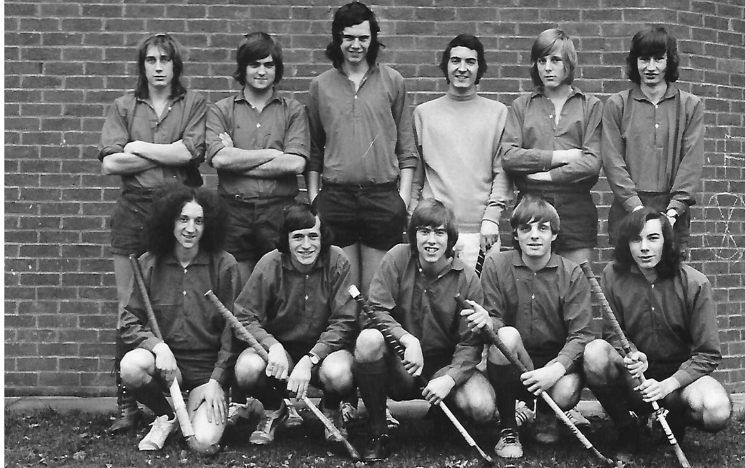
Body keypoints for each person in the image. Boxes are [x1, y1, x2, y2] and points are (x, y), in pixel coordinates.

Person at [98, 33, 207, 433]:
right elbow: (111, 164)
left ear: (176, 65)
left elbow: (188, 153)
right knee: (128, 308)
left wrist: (137, 146)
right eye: (150, 60)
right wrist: (160, 150)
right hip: (133, 210)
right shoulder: (123, 105)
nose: (158, 67)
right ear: (141, 65)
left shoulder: (193, 104)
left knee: (178, 293)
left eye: (165, 59)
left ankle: (184, 393)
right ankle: (128, 405)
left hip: (179, 209)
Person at [353, 198, 496, 461]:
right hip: (403, 364)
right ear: (414, 235)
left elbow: (469, 344)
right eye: (424, 232)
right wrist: (407, 340)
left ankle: (442, 415)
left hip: (443, 367)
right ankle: (377, 431)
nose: (432, 240)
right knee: (368, 340)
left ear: (450, 238)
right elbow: (374, 311)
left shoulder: (467, 278)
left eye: (439, 233)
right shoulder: (397, 257)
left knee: (482, 406)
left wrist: (450, 378)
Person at [583, 208, 731, 458]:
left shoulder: (695, 283)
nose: (644, 247)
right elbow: (611, 334)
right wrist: (632, 353)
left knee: (716, 409)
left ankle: (676, 421)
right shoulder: (612, 275)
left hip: (681, 381)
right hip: (637, 377)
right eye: (636, 239)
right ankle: (627, 431)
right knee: (594, 353)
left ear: (666, 242)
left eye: (652, 238)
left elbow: (708, 353)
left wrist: (667, 386)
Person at [307, 1, 419, 298]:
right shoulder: (320, 86)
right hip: (335, 198)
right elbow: (314, 149)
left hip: (381, 198)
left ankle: (372, 345)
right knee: (344, 293)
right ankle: (343, 345)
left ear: (373, 40)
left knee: (376, 294)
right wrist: (314, 198)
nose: (356, 45)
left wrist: (402, 200)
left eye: (363, 38)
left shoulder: (393, 81)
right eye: (348, 37)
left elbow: (407, 147)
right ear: (337, 39)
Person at [118, 184, 240, 452]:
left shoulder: (224, 265)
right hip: (168, 365)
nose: (191, 228)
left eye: (199, 221)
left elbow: (233, 332)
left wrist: (217, 380)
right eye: (183, 219)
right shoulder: (149, 263)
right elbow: (128, 322)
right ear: (169, 221)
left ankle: (239, 407)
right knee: (131, 366)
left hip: (207, 372)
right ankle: (167, 415)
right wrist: (157, 346)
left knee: (206, 440)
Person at [232, 203, 359, 446]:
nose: (306, 245)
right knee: (246, 368)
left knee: (341, 374)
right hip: (282, 352)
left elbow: (346, 320)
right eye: (297, 237)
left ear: (323, 238)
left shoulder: (337, 261)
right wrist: (272, 346)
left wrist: (312, 357)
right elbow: (244, 316)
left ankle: (330, 410)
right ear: (286, 240)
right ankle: (274, 409)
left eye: (313, 236)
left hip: (326, 353)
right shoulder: (270, 264)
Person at [480, 194, 594, 460]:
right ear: (516, 235)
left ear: (554, 235)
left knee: (566, 392)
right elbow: (494, 319)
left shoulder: (572, 273)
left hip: (554, 367)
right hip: (513, 361)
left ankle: (545, 415)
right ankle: (508, 427)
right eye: (525, 228)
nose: (534, 235)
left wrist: (555, 370)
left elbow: (581, 334)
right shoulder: (496, 264)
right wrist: (487, 321)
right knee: (505, 335)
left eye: (542, 228)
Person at [206, 32, 309, 286]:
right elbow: (219, 160)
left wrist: (238, 162)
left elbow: (295, 163)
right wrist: (273, 155)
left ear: (277, 69)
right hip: (233, 211)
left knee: (278, 288)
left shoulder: (293, 110)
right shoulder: (221, 110)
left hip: (279, 210)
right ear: (243, 68)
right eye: (254, 64)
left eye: (268, 65)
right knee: (235, 291)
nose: (261, 72)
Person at [501, 29, 602, 266]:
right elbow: (509, 156)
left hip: (575, 209)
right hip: (531, 207)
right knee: (531, 289)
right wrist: (562, 156)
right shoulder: (522, 106)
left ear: (568, 63)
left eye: (555, 60)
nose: (547, 67)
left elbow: (591, 163)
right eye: (541, 60)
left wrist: (544, 175)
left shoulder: (590, 106)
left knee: (577, 286)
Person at [410, 34, 511, 270]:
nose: (462, 68)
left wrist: (491, 218)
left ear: (479, 68)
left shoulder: (498, 114)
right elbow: (416, 176)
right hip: (434, 232)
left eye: (470, 62)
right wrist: (414, 221)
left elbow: (502, 172)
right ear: (446, 66)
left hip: (481, 234)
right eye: (455, 60)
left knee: (480, 305)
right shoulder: (424, 114)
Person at [602, 27, 704, 254]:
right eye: (644, 59)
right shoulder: (617, 105)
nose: (650, 67)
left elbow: (692, 162)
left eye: (658, 59)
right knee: (626, 283)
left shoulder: (690, 106)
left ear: (670, 62)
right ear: (634, 61)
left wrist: (673, 211)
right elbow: (612, 160)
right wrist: (635, 207)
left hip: (672, 213)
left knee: (672, 285)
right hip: (627, 210)